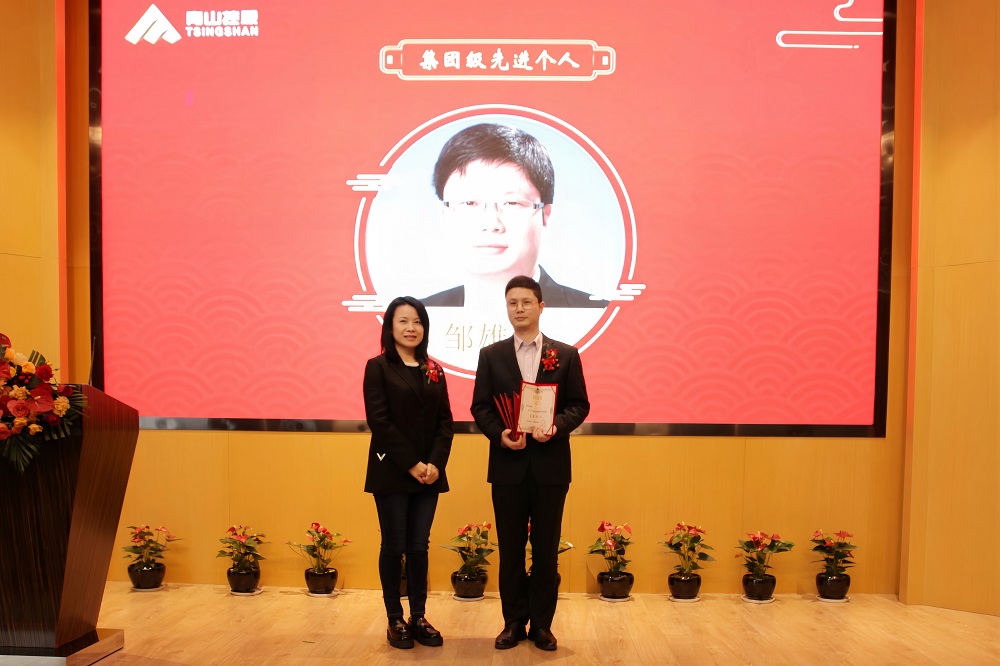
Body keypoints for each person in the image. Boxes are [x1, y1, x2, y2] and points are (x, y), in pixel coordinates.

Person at [470, 275, 591, 651]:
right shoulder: (491, 355)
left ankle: (541, 625)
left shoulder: (566, 354)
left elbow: (579, 405)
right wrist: (499, 435)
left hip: (551, 469)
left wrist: (556, 427)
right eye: (512, 303)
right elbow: (480, 407)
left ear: (541, 306)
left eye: (526, 302)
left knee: (545, 550)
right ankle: (512, 622)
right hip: (507, 467)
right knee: (510, 550)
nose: (519, 309)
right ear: (506, 308)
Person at [423, 123, 607, 309]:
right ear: (444, 215)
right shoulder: (419, 316)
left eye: (511, 203)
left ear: (545, 215)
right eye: (469, 203)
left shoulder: (599, 314)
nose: (491, 224)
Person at [363, 296, 453, 650]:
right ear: (390, 327)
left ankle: (418, 616)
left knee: (419, 546)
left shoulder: (434, 369)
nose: (411, 328)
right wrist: (412, 464)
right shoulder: (378, 367)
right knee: (394, 545)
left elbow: (445, 423)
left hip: (429, 474)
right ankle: (394, 618)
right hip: (392, 471)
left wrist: (435, 464)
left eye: (417, 322)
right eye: (403, 321)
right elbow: (379, 421)